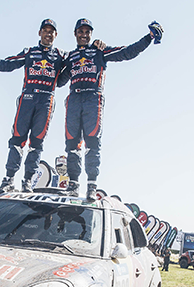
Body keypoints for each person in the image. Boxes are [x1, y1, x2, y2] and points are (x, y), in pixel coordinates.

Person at [58, 18, 162, 200]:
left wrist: (148, 38)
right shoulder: (70, 56)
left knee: (92, 143)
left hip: (93, 98)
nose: (84, 35)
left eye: (87, 32)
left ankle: (91, 185)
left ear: (91, 34)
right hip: (74, 98)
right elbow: (59, 81)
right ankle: (73, 183)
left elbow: (127, 52)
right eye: (80, 31)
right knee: (72, 143)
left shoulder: (100, 51)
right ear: (75, 34)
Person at [0, 19, 69, 193]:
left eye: (51, 31)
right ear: (39, 33)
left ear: (56, 35)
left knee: (37, 142)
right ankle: (8, 178)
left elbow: (78, 62)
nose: (48, 34)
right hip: (27, 98)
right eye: (45, 30)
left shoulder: (62, 55)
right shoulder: (29, 52)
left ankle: (28, 181)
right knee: (17, 139)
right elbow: (6, 64)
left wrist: (97, 47)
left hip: (47, 100)